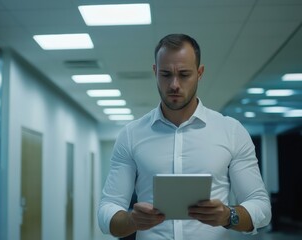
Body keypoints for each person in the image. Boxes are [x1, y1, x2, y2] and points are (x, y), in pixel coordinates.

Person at [97, 33, 271, 240]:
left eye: (184, 74)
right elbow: (107, 209)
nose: (174, 85)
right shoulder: (131, 134)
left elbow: (260, 206)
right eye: (166, 74)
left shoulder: (231, 131)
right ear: (155, 72)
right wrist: (132, 221)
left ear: (200, 73)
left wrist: (227, 215)